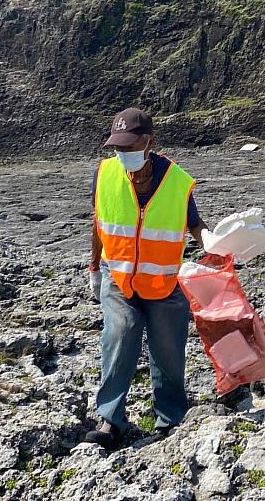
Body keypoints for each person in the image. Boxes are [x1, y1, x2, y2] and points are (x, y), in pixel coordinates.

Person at [84, 108, 214, 450]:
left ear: (150, 143)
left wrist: (214, 244)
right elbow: (99, 223)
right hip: (119, 279)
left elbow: (194, 224)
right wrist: (94, 268)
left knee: (169, 350)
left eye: (130, 147)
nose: (123, 154)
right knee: (120, 333)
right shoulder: (105, 173)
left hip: (164, 282)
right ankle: (111, 419)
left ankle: (170, 420)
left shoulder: (177, 182)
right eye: (118, 147)